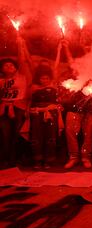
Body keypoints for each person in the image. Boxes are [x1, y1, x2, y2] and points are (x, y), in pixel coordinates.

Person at [59, 40, 92, 169]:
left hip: (90, 108)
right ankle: (73, 157)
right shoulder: (74, 75)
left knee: (89, 133)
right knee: (70, 132)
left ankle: (86, 157)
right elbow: (70, 61)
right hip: (73, 107)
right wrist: (66, 47)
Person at [0, 36, 32, 168]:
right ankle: (5, 159)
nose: (8, 66)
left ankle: (15, 159)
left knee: (16, 134)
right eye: (5, 65)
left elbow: (22, 61)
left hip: (18, 107)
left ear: (15, 67)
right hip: (3, 108)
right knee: (4, 135)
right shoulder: (1, 81)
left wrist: (21, 45)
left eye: (11, 65)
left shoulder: (22, 76)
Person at [30, 65, 63, 169]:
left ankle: (48, 161)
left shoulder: (54, 88)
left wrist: (59, 50)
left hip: (52, 114)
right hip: (36, 113)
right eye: (42, 78)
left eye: (47, 78)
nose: (44, 80)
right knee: (37, 136)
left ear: (50, 78)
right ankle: (38, 161)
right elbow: (30, 102)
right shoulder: (33, 88)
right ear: (38, 78)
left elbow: (58, 102)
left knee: (50, 136)